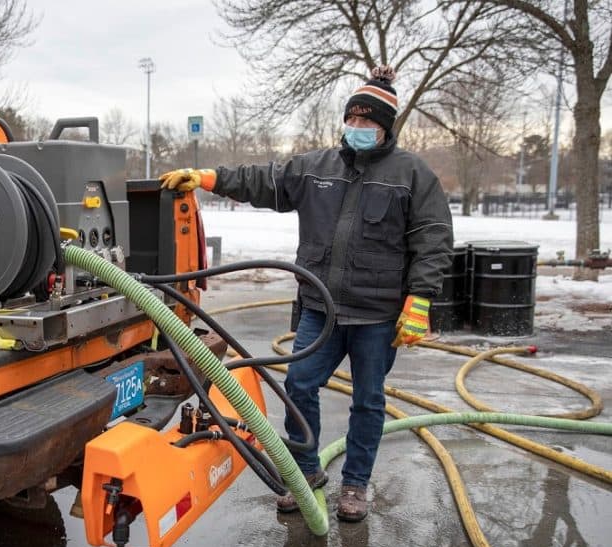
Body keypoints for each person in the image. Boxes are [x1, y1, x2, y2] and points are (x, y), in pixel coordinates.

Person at [159, 66, 453, 522]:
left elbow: (433, 237)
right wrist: (208, 176)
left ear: (385, 127)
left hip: (377, 317)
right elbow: (263, 180)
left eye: (368, 122)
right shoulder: (317, 168)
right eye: (352, 120)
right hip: (323, 310)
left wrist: (421, 298)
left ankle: (355, 484)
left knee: (368, 400)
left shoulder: (412, 174)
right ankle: (306, 471)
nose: (357, 129)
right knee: (299, 385)